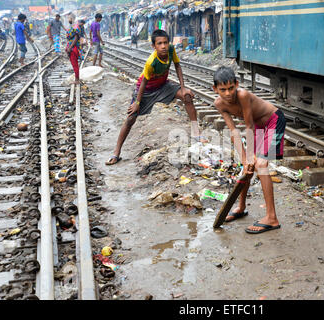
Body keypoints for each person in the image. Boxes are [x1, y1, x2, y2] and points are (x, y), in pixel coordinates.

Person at [105, 29, 201, 165]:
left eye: (165, 43)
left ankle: (196, 134)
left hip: (163, 86)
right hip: (145, 91)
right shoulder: (151, 62)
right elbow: (144, 82)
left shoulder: (171, 50)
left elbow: (177, 66)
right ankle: (116, 153)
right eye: (159, 43)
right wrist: (137, 102)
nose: (163, 46)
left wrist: (183, 87)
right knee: (131, 118)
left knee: (187, 97)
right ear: (154, 46)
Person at [212, 66, 286, 234]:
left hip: (274, 121)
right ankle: (241, 207)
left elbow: (249, 125)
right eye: (222, 90)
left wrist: (251, 156)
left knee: (260, 164)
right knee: (247, 168)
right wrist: (245, 159)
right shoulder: (219, 104)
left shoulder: (243, 95)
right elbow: (234, 132)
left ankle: (272, 218)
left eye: (231, 88)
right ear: (215, 89)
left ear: (237, 84)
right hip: (260, 127)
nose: (228, 93)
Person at [66, 19, 86, 85]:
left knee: (75, 65)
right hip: (74, 48)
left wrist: (70, 47)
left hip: (73, 49)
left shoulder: (75, 28)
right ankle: (77, 78)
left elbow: (76, 38)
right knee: (75, 64)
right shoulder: (74, 27)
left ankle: (77, 80)